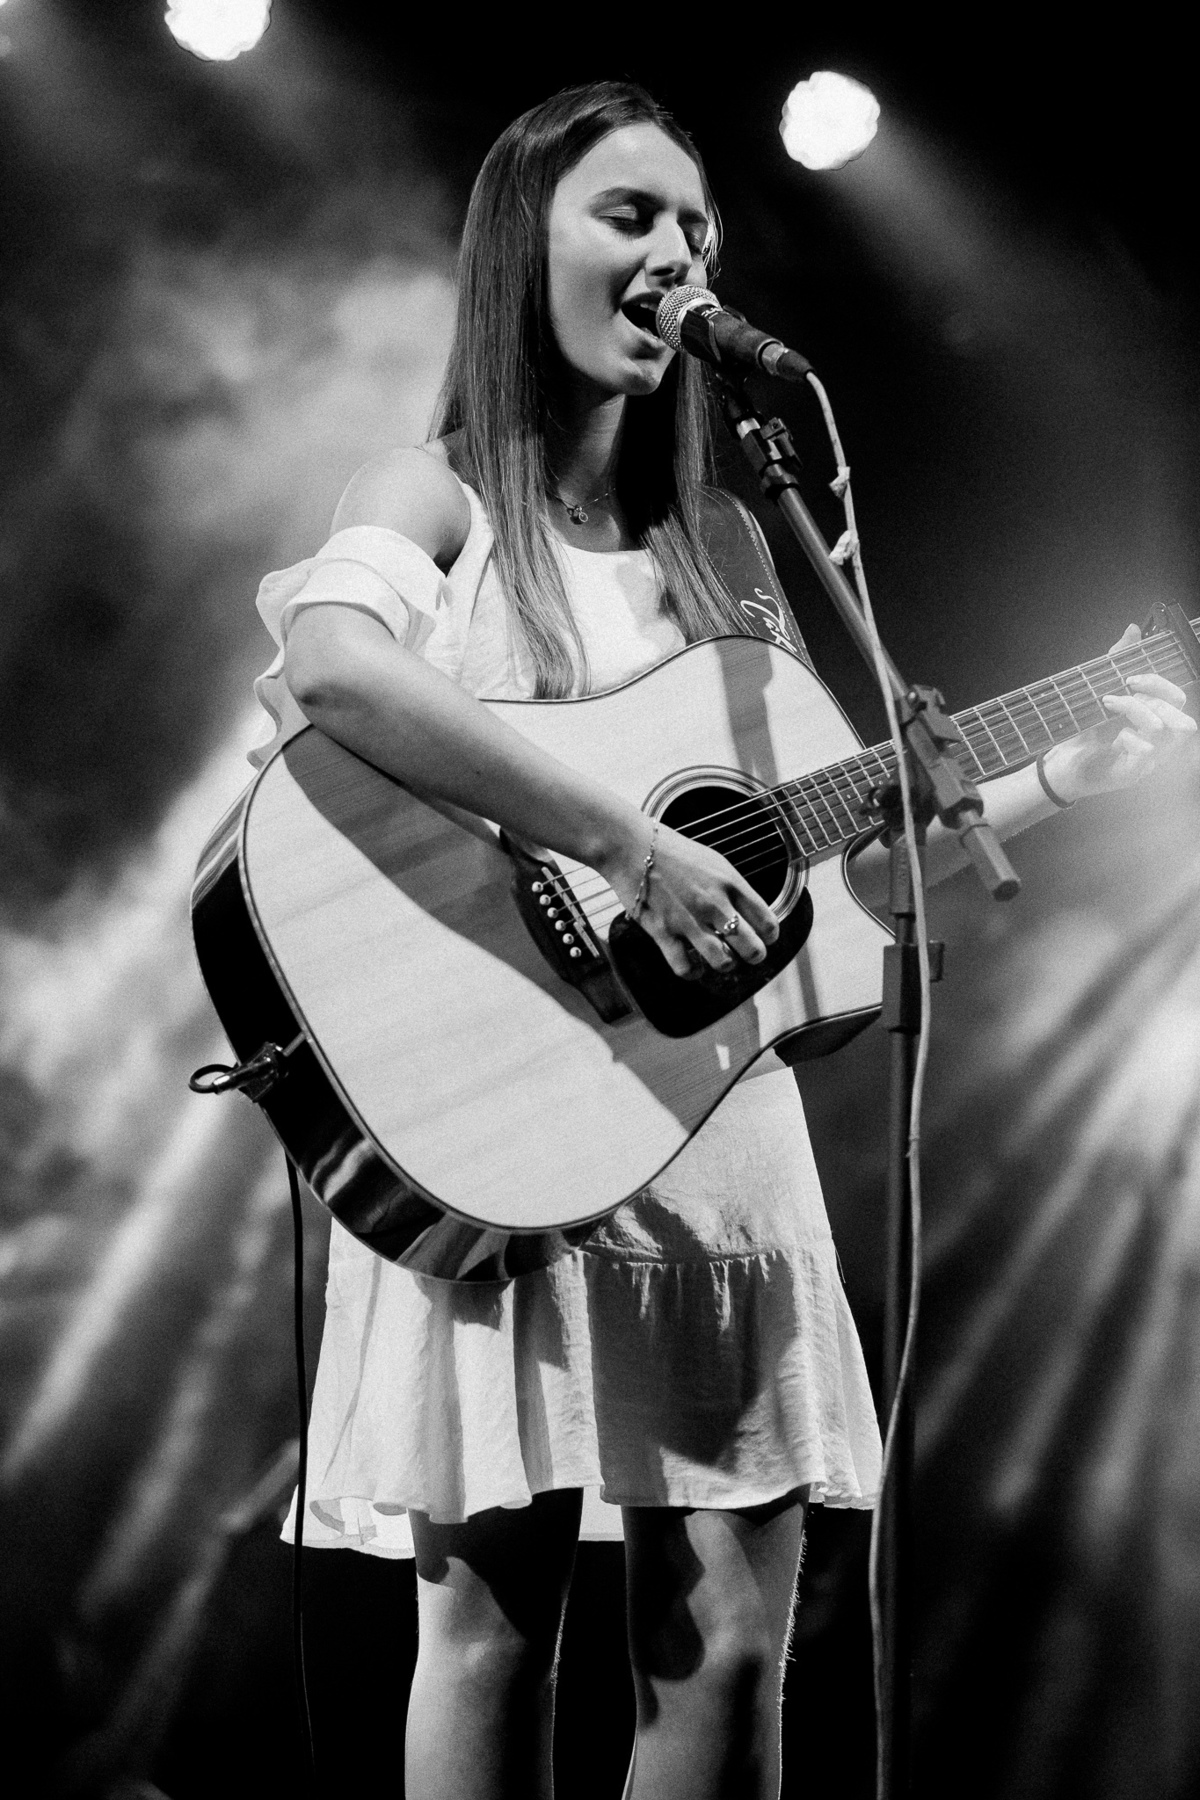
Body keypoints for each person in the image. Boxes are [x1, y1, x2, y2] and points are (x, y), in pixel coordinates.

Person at [250, 82, 1196, 1800]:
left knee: (735, 1647)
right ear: (521, 245)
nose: (676, 253)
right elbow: (332, 664)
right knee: (493, 1639)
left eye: (695, 224)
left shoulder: (737, 547)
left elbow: (841, 884)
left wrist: (1061, 774)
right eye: (629, 216)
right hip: (503, 1106)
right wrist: (625, 840)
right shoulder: (433, 494)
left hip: (717, 1128)